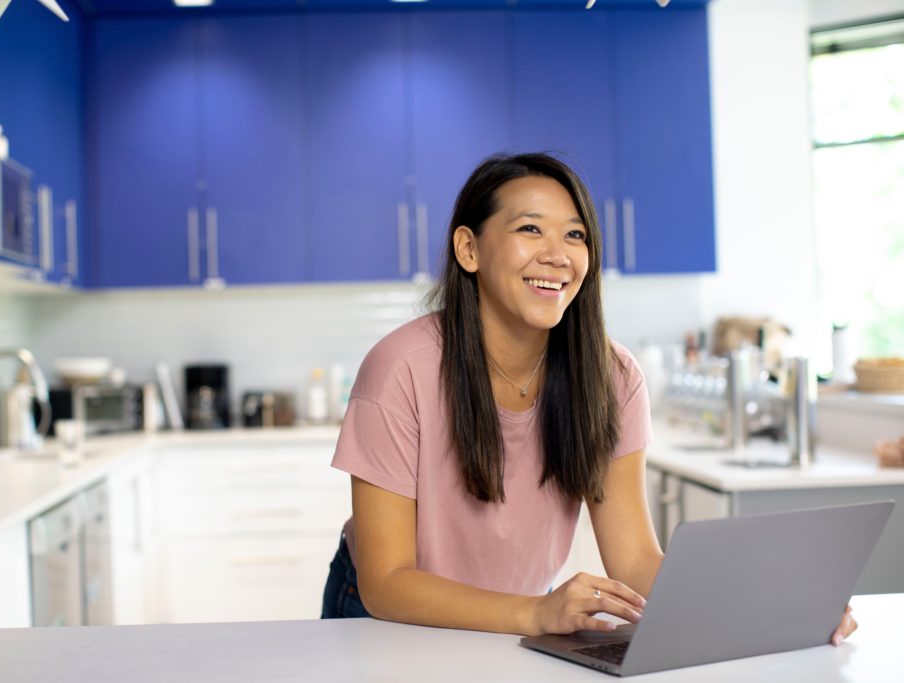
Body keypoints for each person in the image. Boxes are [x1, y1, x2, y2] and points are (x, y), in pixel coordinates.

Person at [320, 152, 857, 644]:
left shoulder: (611, 376)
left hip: (514, 619)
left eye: (575, 236)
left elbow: (635, 560)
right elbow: (386, 583)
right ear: (469, 248)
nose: (557, 255)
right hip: (386, 617)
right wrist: (536, 614)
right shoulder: (400, 369)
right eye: (531, 228)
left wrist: (775, 606)